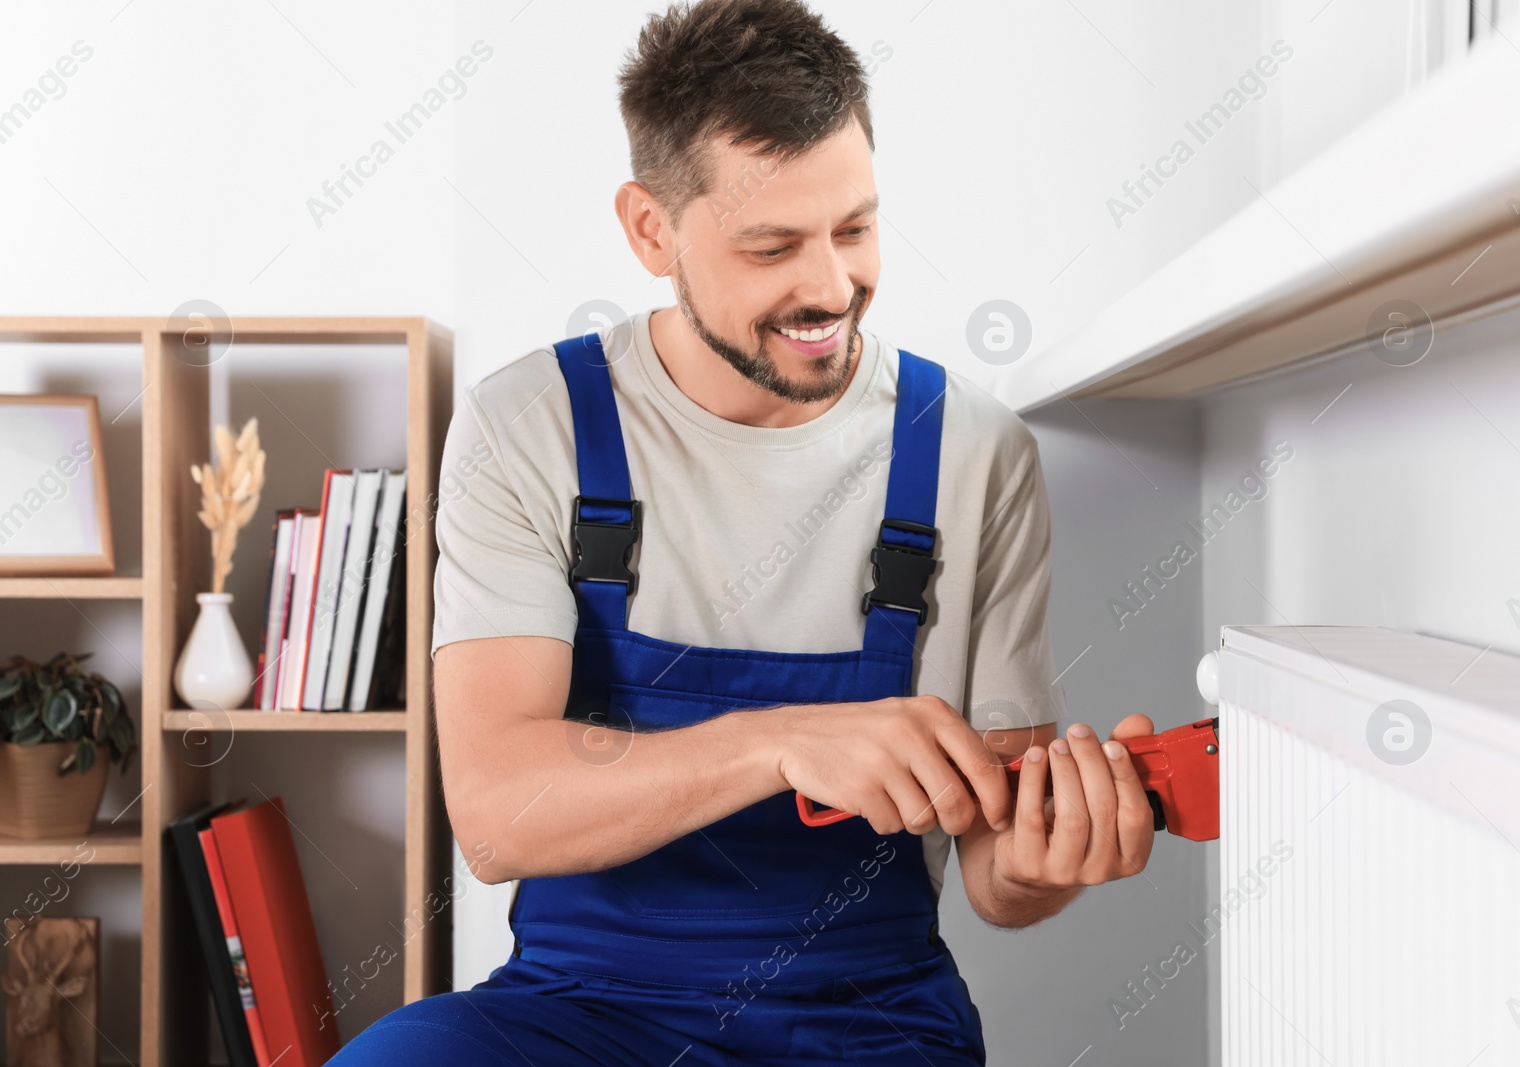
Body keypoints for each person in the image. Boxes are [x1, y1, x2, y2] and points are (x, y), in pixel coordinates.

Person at [330, 1, 1154, 1063]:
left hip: (866, 1020)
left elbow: (997, 872)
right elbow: (496, 815)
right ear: (650, 228)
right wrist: (779, 742)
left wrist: (1043, 864)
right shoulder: (524, 425)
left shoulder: (974, 451)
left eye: (853, 228)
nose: (830, 287)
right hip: (580, 1013)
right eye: (772, 246)